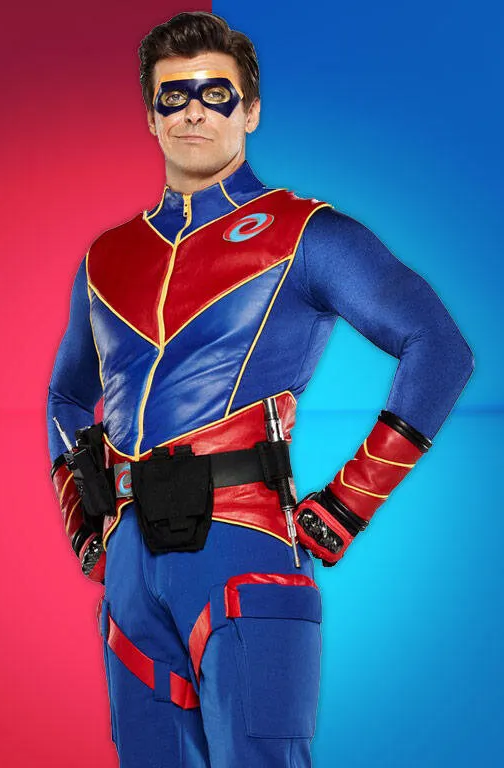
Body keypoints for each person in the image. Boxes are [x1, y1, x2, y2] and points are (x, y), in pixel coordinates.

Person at [46, 11, 473, 767]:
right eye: (173, 96)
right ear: (150, 116)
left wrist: (349, 504)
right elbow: (66, 398)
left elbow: (438, 348)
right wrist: (83, 514)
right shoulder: (107, 258)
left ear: (250, 110)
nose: (194, 112)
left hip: (243, 548)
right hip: (132, 573)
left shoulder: (306, 233)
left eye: (215, 93)